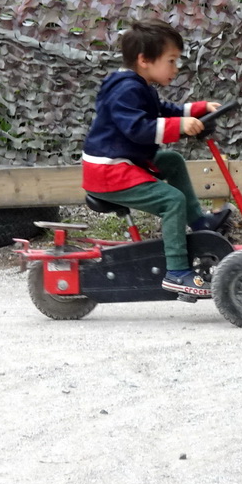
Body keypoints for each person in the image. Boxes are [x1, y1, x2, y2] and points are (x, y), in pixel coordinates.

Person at [82, 19, 231, 298]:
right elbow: (138, 129)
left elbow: (162, 110)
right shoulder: (125, 90)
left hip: (123, 163)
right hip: (110, 172)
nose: (176, 68)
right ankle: (176, 272)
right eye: (171, 61)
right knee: (171, 200)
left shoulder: (138, 85)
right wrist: (180, 127)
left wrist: (196, 110)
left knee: (171, 160)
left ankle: (199, 223)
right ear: (144, 60)